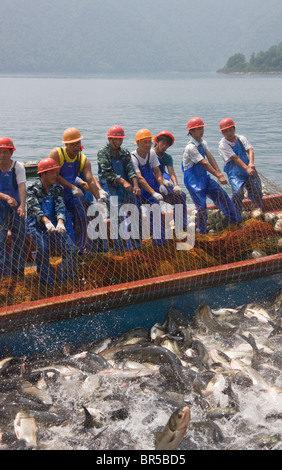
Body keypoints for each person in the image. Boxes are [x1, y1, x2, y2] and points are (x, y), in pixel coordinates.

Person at [49, 128, 107, 252]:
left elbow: (90, 180)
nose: (76, 146)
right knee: (66, 225)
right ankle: (65, 252)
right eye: (72, 144)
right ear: (66, 144)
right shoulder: (57, 154)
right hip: (57, 195)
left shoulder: (83, 159)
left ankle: (79, 250)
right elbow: (55, 176)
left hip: (72, 195)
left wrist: (99, 197)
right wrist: (72, 187)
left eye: (78, 143)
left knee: (82, 219)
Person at [182, 117, 241, 234]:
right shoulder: (190, 147)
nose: (201, 130)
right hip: (193, 182)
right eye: (198, 129)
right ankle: (201, 231)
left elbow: (210, 158)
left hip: (205, 179)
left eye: (202, 128)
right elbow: (204, 163)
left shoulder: (202, 143)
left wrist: (219, 173)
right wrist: (219, 176)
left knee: (223, 196)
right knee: (202, 207)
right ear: (191, 132)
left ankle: (235, 221)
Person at [26, 158, 78, 286]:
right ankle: (47, 282)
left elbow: (60, 206)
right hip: (37, 227)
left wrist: (60, 222)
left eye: (56, 172)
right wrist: (46, 221)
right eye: (52, 172)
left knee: (70, 249)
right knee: (42, 249)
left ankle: (64, 280)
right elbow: (35, 208)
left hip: (54, 226)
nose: (56, 175)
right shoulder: (32, 189)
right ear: (42, 174)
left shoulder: (57, 189)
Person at [97, 125, 142, 251]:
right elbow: (107, 172)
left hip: (125, 187)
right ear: (110, 139)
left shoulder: (125, 152)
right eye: (116, 139)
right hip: (110, 188)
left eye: (121, 139)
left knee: (135, 212)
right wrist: (122, 181)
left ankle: (136, 246)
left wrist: (135, 185)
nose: (119, 142)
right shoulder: (103, 152)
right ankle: (119, 249)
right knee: (117, 217)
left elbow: (130, 170)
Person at [218, 117, 263, 214]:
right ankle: (235, 216)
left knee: (257, 191)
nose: (229, 133)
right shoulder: (223, 145)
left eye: (230, 130)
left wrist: (251, 163)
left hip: (249, 170)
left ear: (234, 129)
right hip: (236, 174)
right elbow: (235, 158)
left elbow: (250, 150)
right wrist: (247, 168)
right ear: (222, 133)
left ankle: (256, 212)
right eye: (225, 131)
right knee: (238, 193)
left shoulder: (241, 139)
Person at [131, 129, 167, 245]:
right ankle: (134, 246)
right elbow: (140, 178)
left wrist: (161, 184)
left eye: (149, 142)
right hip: (136, 191)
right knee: (134, 216)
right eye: (144, 142)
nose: (147, 145)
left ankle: (159, 243)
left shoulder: (151, 153)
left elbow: (157, 171)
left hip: (148, 191)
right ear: (138, 143)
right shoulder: (133, 157)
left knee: (156, 210)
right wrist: (153, 193)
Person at [0, 137, 26, 280]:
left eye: (5, 152)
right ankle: (3, 275)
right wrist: (6, 197)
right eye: (0, 152)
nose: (2, 155)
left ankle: (17, 273)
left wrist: (22, 205)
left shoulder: (17, 167)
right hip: (1, 208)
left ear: (11, 153)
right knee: (0, 240)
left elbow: (22, 186)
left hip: (16, 207)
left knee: (19, 238)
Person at [154, 131, 187, 233]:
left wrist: (176, 185)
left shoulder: (167, 157)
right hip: (151, 184)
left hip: (163, 184)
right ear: (157, 142)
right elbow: (151, 171)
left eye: (167, 145)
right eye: (162, 143)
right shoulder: (150, 155)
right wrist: (162, 180)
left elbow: (171, 172)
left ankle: (180, 226)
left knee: (181, 196)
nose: (164, 146)